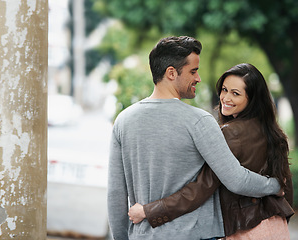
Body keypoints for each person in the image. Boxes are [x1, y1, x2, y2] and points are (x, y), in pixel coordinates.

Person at [108, 37, 283, 240]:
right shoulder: (199, 121)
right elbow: (236, 180)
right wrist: (275, 185)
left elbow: (116, 197)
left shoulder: (124, 121)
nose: (198, 78)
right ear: (171, 73)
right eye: (193, 71)